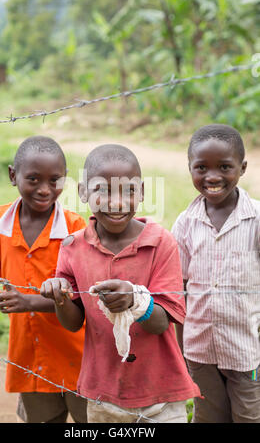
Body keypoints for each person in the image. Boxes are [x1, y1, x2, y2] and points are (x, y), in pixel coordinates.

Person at [41, 143, 201, 423]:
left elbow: (162, 322)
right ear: (82, 192)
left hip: (160, 395)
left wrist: (136, 301)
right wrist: (60, 297)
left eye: (128, 191)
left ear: (141, 193)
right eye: (102, 191)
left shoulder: (160, 242)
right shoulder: (73, 247)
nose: (117, 203)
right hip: (103, 393)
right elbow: (72, 322)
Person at [0, 136, 87, 423]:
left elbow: (81, 294)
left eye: (54, 180)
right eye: (33, 179)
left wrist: (27, 301)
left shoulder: (74, 228)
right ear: (12, 175)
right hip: (30, 356)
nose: (44, 189)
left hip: (76, 356)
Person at [171, 124, 260, 423]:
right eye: (201, 168)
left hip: (247, 350)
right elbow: (179, 289)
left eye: (224, 167)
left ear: (242, 167)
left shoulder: (257, 220)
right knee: (209, 416)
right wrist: (183, 348)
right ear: (190, 169)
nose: (212, 177)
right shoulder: (185, 224)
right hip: (199, 350)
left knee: (249, 415)